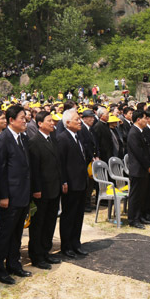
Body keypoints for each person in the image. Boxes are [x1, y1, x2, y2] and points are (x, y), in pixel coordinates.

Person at [0, 105, 31, 284]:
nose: (25, 121)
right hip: (10, 196)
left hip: (23, 193)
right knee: (5, 233)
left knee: (17, 233)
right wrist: (3, 196)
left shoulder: (23, 138)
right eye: (22, 118)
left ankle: (14, 264)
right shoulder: (3, 140)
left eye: (25, 117)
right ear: (11, 120)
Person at [28, 111, 62, 269]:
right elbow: (34, 169)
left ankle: (46, 251)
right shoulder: (34, 142)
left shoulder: (53, 139)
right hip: (42, 190)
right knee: (38, 224)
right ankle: (36, 256)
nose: (52, 123)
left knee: (50, 222)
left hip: (54, 188)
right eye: (49, 121)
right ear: (40, 123)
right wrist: (36, 189)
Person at [58, 109, 88, 258]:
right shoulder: (62, 138)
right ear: (68, 122)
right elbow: (61, 162)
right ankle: (67, 246)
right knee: (69, 216)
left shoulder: (79, 136)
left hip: (81, 182)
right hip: (70, 183)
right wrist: (63, 180)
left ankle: (76, 242)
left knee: (78, 216)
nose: (79, 121)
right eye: (77, 119)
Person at [126, 110, 150, 228]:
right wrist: (148, 165)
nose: (146, 120)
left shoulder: (140, 132)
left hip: (142, 169)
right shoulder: (133, 133)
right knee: (135, 195)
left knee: (142, 194)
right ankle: (133, 219)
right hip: (137, 168)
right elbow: (139, 153)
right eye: (144, 118)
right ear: (138, 120)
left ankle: (139, 216)